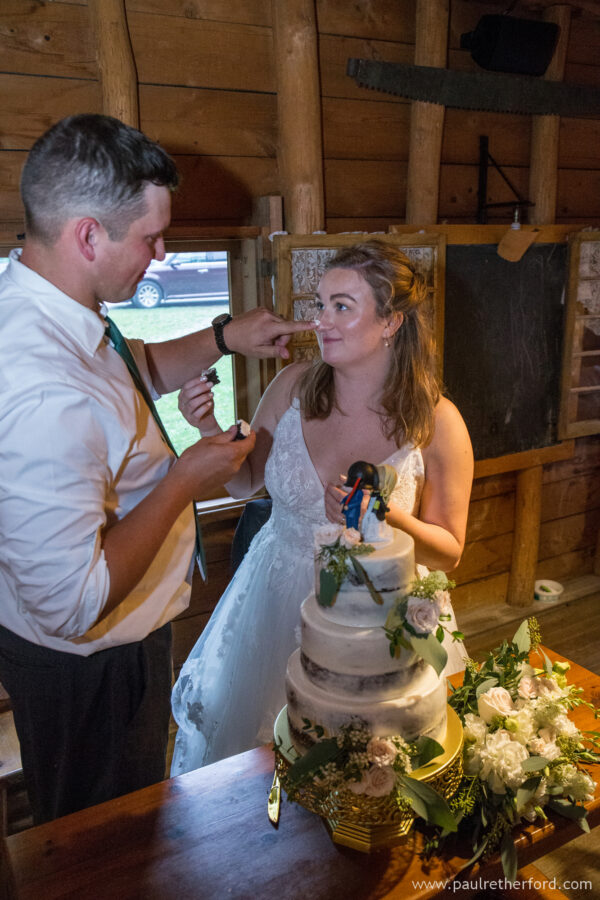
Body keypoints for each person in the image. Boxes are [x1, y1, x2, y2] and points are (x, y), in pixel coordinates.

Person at [0, 113, 311, 824]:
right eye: (149, 237)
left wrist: (224, 336)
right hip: (92, 672)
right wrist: (183, 483)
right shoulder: (39, 384)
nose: (163, 255)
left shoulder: (53, 311)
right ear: (88, 234)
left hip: (104, 652)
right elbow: (73, 603)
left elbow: (128, 374)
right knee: (103, 843)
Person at [170, 240, 474, 775]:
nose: (320, 321)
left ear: (390, 322)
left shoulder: (437, 420)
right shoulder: (292, 386)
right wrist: (208, 426)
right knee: (260, 768)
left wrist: (385, 514)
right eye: (319, 304)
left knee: (367, 767)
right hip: (274, 600)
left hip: (376, 620)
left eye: (342, 306)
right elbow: (245, 482)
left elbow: (448, 552)